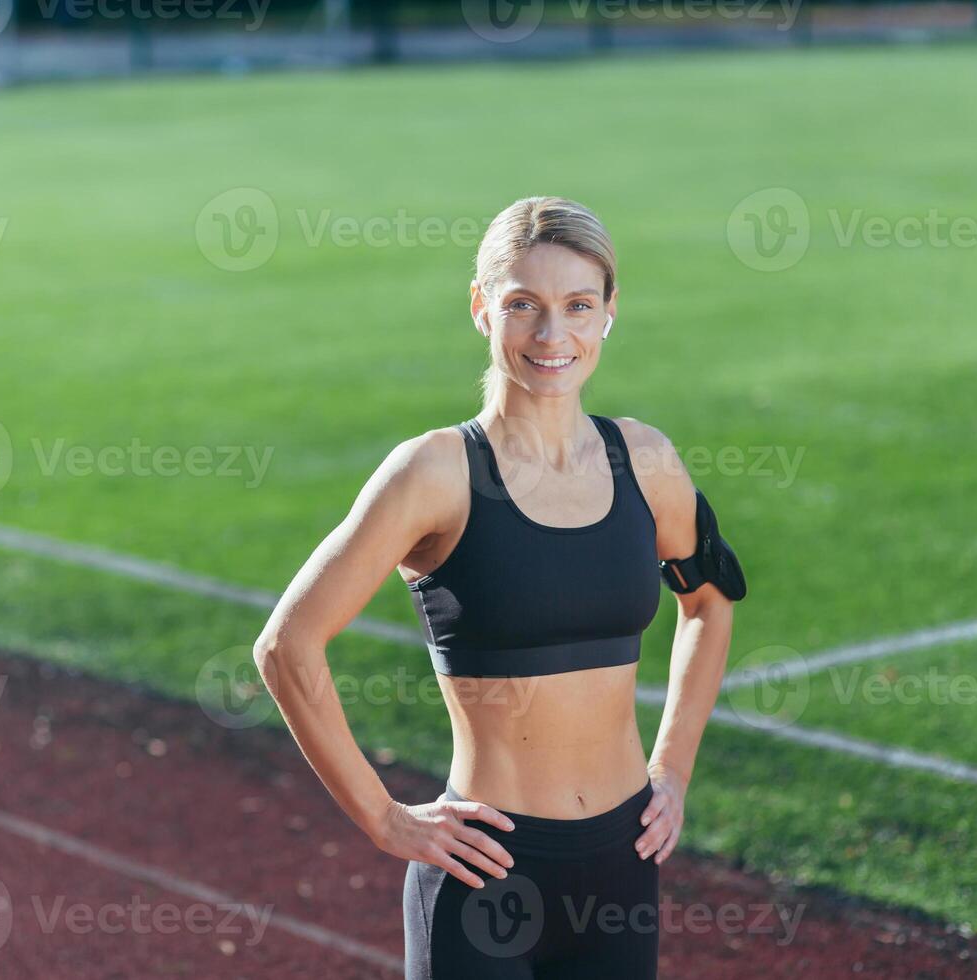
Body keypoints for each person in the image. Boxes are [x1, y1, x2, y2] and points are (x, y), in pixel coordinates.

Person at [252, 196, 742, 977]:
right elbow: (287, 645)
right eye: (523, 306)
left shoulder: (646, 461)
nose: (553, 336)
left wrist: (673, 768)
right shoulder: (434, 472)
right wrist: (383, 819)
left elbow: (709, 604)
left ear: (610, 312)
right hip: (487, 876)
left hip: (621, 865)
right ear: (482, 309)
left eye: (579, 306)